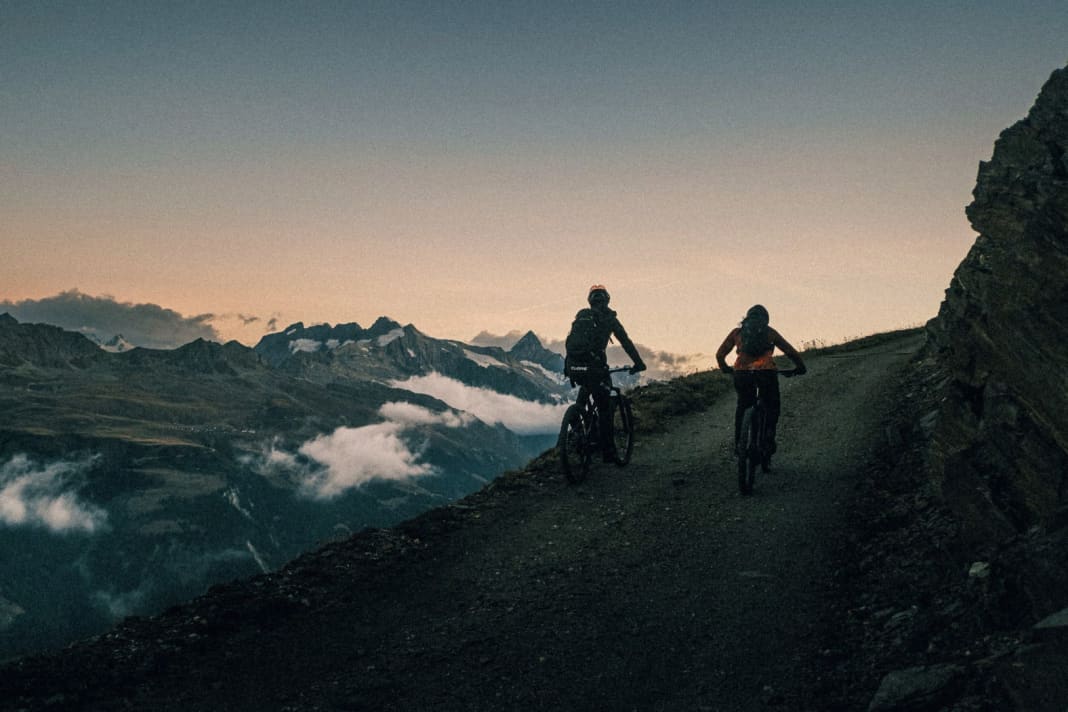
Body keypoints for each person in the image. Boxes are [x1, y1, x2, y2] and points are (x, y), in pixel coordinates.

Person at [564, 285, 647, 461]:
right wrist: (639, 363)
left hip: (574, 366)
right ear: (607, 300)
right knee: (604, 408)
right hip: (595, 368)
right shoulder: (610, 319)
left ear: (590, 301)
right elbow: (626, 342)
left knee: (582, 398)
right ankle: (608, 452)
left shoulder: (582, 315)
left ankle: (580, 435)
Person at [715, 304, 806, 457]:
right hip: (766, 373)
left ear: (747, 317)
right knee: (772, 405)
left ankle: (739, 445)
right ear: (766, 319)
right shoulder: (770, 332)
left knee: (743, 406)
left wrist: (725, 368)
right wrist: (800, 367)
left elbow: (719, 354)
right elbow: (790, 351)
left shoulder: (737, 332)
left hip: (742, 373)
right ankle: (769, 435)